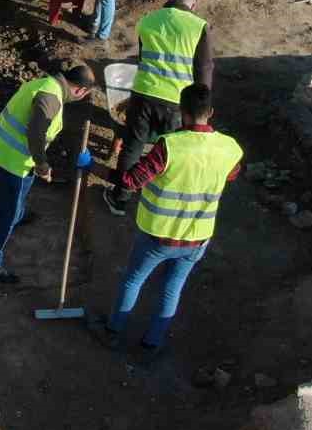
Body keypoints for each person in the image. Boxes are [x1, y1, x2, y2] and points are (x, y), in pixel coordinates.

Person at [87, 83, 242, 354]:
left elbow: (130, 181)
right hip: (198, 238)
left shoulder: (169, 147)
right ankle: (151, 345)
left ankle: (113, 332)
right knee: (172, 288)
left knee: (133, 280)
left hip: (160, 235)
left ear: (182, 111)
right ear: (211, 112)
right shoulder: (229, 147)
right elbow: (232, 174)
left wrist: (91, 165)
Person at [0, 64, 96, 283]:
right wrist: (42, 165)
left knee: (15, 202)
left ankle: (18, 215)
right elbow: (36, 133)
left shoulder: (44, 83)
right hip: (11, 164)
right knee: (7, 214)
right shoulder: (50, 98)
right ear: (80, 90)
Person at [103, 0, 213, 216]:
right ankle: (160, 203)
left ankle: (120, 198)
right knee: (171, 153)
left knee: (133, 147)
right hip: (177, 101)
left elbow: (143, 58)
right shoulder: (199, 26)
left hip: (143, 93)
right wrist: (202, 103)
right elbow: (204, 67)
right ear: (192, 5)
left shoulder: (148, 20)